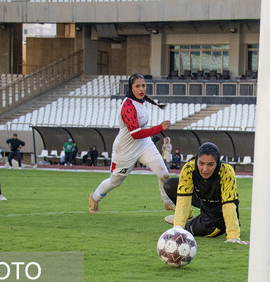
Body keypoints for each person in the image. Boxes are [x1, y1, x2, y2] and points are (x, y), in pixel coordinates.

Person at [89, 73, 175, 213]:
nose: (141, 89)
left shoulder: (140, 102)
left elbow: (141, 131)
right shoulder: (127, 105)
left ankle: (167, 202)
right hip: (125, 149)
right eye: (137, 86)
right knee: (115, 181)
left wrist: (151, 136)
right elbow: (135, 134)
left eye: (143, 85)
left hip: (144, 144)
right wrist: (159, 128)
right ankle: (94, 197)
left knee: (164, 173)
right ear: (131, 88)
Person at [163, 142, 247, 244]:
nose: (205, 169)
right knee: (170, 185)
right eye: (201, 163)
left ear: (217, 163)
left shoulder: (225, 170)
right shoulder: (189, 168)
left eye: (210, 164)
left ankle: (201, 224)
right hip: (203, 199)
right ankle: (189, 218)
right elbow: (183, 198)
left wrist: (233, 236)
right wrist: (178, 226)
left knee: (186, 231)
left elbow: (229, 204)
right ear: (196, 160)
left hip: (218, 214)